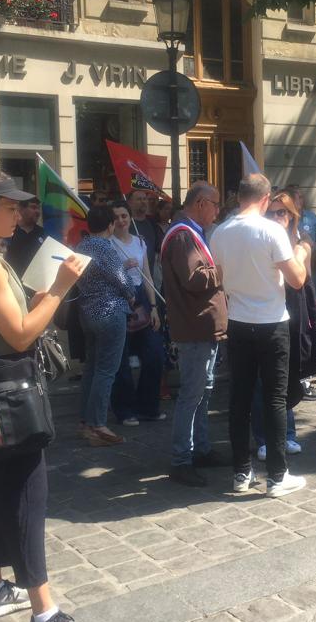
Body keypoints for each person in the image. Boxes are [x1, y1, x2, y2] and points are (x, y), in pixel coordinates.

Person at [0, 172, 91, 622]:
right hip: (10, 393)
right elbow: (20, 334)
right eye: (9, 207)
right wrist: (60, 288)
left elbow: (12, 320)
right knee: (29, 496)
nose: (19, 214)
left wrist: (40, 295)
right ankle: (45, 613)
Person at [209, 173, 308, 498]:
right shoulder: (272, 230)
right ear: (266, 200)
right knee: (274, 399)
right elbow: (297, 280)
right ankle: (278, 477)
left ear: (239, 197)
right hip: (271, 323)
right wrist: (303, 254)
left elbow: (220, 278)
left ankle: (241, 472)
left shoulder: (219, 232)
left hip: (238, 322)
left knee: (239, 400)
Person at [161, 183, 228, 487]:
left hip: (202, 326)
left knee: (204, 391)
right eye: (215, 205)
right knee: (191, 394)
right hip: (194, 327)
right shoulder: (183, 235)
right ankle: (181, 459)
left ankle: (200, 449)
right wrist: (224, 270)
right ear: (201, 203)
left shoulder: (189, 232)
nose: (217, 211)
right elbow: (193, 278)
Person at [252, 191, 315, 461]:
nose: (277, 217)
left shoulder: (301, 243)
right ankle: (264, 439)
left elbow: (300, 281)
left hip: (291, 314)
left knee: (284, 380)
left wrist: (298, 253)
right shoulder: (258, 241)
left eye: (282, 212)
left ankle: (287, 434)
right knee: (259, 381)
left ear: (291, 216)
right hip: (261, 316)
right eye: (271, 212)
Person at [75, 205, 135, 447]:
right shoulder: (105, 247)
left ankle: (86, 421)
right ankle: (98, 424)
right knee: (106, 370)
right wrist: (132, 294)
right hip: (110, 312)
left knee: (92, 368)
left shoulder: (81, 246)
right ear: (110, 225)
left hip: (87, 311)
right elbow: (121, 280)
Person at [109, 200, 164, 425]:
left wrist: (153, 308)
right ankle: (125, 410)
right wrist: (122, 268)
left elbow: (147, 277)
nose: (121, 221)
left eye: (124, 215)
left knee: (154, 355)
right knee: (120, 360)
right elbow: (105, 277)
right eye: (116, 217)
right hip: (118, 299)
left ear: (130, 217)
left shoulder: (140, 243)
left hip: (141, 297)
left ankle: (147, 406)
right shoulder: (108, 245)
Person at [285, 184, 316, 399]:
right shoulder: (281, 231)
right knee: (298, 334)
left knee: (311, 329)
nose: (302, 200)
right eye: (298, 197)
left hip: (309, 286)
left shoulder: (310, 219)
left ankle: (306, 380)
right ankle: (298, 382)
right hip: (292, 291)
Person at [5, 197, 49, 278]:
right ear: (21, 209)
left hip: (36, 284)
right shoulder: (9, 232)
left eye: (38, 208)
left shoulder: (44, 234)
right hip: (13, 281)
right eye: (33, 207)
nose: (37, 211)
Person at [127, 189, 162, 271]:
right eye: (139, 199)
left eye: (144, 199)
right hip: (133, 276)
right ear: (129, 202)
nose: (143, 202)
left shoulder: (152, 223)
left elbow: (157, 248)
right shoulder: (125, 224)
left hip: (150, 276)